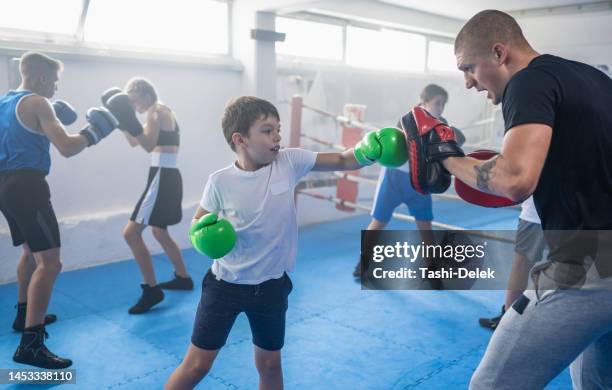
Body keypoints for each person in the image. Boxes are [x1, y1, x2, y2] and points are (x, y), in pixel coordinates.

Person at [403, 9, 612, 388]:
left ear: (499, 53)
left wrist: (449, 159)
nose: (468, 83)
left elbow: (515, 180)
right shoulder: (593, 79)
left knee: (491, 384)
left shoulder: (528, 82)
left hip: (588, 267)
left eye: (469, 67)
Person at [164, 96, 408, 389]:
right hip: (224, 286)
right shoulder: (220, 181)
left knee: (269, 364)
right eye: (267, 130)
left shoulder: (289, 162)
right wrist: (204, 236)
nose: (277, 136)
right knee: (197, 366)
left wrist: (371, 150)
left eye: (278, 129)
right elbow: (197, 222)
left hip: (270, 288)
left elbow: (343, 159)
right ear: (240, 139)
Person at [0, 51, 117, 368]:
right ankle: (31, 344)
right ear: (41, 78)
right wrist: (96, 131)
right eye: (54, 81)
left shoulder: (5, 102)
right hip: (28, 186)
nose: (55, 88)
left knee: (30, 253)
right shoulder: (38, 102)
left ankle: (24, 314)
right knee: (50, 263)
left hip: (5, 186)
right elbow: (67, 147)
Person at [353, 83, 465, 280]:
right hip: (394, 177)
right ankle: (363, 263)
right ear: (424, 102)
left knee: (425, 225)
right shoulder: (407, 120)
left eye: (443, 104)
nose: (440, 108)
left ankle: (432, 268)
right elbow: (398, 149)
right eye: (437, 103)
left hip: (420, 181)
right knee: (379, 221)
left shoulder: (442, 123)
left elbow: (457, 140)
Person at [102, 78, 193, 315]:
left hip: (162, 176)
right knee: (159, 231)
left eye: (132, 102)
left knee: (131, 233)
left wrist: (128, 119)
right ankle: (183, 277)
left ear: (143, 94)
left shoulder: (158, 112)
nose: (133, 107)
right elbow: (135, 141)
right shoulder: (156, 113)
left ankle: (151, 289)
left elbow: (147, 144)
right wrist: (123, 121)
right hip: (164, 174)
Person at [478, 196, 546, 329]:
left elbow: (516, 186)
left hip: (536, 213)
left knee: (521, 266)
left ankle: (507, 324)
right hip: (570, 210)